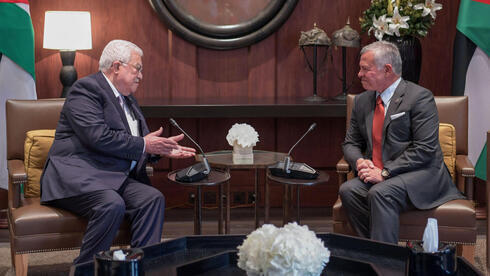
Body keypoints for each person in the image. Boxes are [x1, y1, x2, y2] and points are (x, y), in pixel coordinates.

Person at [40, 39, 196, 264]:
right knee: (111, 203)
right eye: (137, 68)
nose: (141, 76)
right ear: (116, 67)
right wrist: (145, 145)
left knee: (151, 199)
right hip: (79, 176)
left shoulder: (128, 99)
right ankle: (87, 269)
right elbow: (98, 137)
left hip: (111, 176)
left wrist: (159, 150)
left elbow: (137, 143)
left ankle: (139, 266)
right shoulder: (85, 90)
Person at [339, 41, 464, 244]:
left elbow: (425, 149)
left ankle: (386, 267)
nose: (359, 74)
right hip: (378, 173)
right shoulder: (362, 102)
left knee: (381, 192)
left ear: (387, 70)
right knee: (349, 190)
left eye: (365, 69)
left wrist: (385, 173)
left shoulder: (420, 98)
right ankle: (378, 255)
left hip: (420, 174)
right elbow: (350, 143)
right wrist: (359, 162)